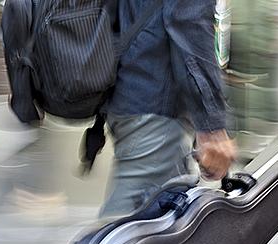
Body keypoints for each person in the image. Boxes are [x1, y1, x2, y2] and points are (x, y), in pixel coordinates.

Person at [100, 0, 237, 217]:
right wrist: (211, 126)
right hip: (154, 106)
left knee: (151, 232)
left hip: (135, 95)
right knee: (129, 234)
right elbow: (189, 22)